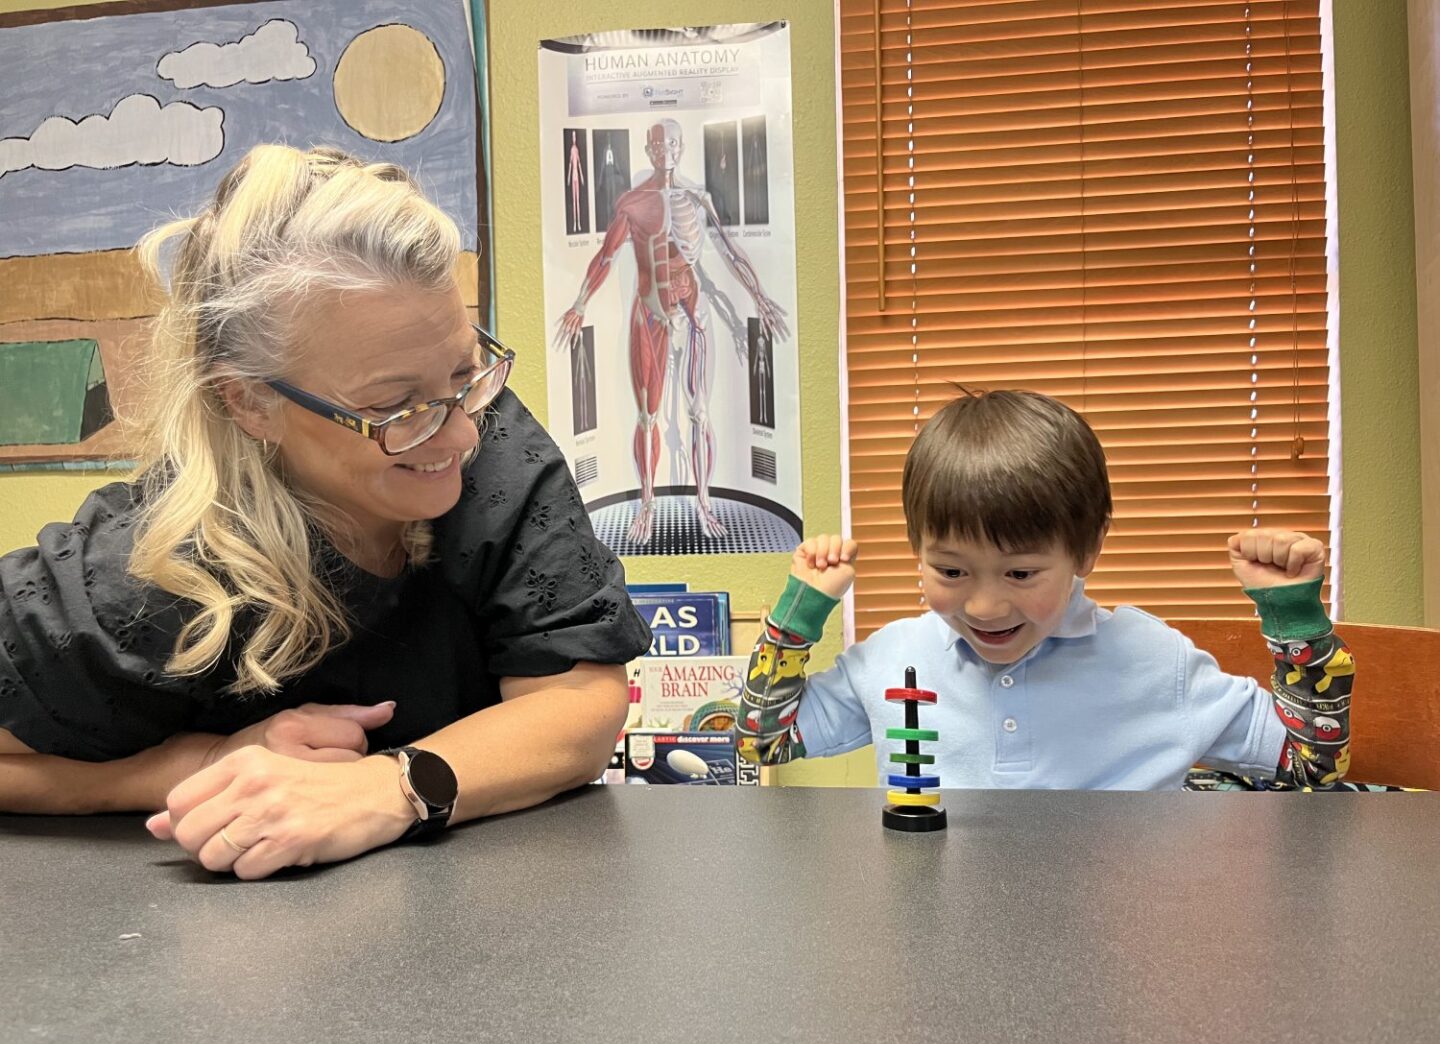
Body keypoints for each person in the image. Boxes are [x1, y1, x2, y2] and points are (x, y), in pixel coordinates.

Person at [0, 145, 651, 877]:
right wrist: (188, 765)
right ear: (249, 402)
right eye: (392, 407)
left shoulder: (488, 437)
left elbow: (579, 702)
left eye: (465, 373)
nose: (461, 434)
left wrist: (389, 789)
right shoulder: (145, 570)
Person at [738, 388, 1352, 790]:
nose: (984, 605)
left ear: (1086, 551)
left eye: (1021, 573)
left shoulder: (1154, 660)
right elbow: (761, 741)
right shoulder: (893, 659)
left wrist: (1292, 617)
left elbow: (1313, 768)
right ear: (916, 551)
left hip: (1116, 956)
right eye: (951, 572)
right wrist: (801, 611)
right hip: (941, 951)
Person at [554, 118, 789, 544]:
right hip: (650, 314)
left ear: (681, 149)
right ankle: (647, 504)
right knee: (648, 416)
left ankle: (703, 503)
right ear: (649, 149)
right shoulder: (633, 203)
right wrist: (579, 304)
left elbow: (730, 252)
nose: (666, 153)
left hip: (694, 315)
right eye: (659, 146)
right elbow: (606, 257)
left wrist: (759, 297)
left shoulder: (698, 200)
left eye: (673, 145)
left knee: (700, 413)